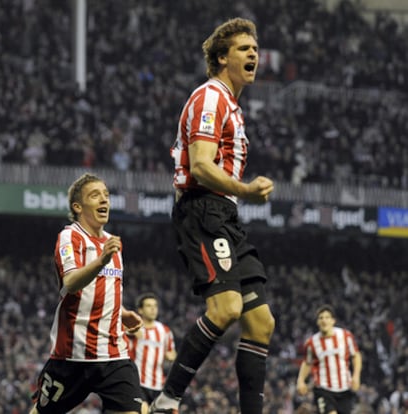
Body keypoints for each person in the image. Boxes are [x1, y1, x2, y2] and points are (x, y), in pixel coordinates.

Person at [149, 17, 275, 414]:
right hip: (203, 208)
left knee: (261, 323)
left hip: (227, 215)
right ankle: (168, 399)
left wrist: (239, 197)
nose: (253, 53)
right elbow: (201, 166)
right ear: (222, 58)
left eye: (255, 48)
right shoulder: (210, 97)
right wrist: (246, 188)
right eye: (243, 48)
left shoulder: (232, 106)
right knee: (226, 309)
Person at [30, 173, 148, 414]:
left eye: (106, 195)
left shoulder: (113, 243)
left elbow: (103, 287)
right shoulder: (69, 236)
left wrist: (122, 312)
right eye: (95, 195)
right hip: (73, 356)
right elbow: (71, 282)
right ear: (78, 206)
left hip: (113, 353)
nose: (104, 200)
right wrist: (102, 259)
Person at [296, 304, 362, 414]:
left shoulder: (345, 336)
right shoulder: (312, 342)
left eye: (327, 317)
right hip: (323, 389)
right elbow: (307, 363)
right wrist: (300, 381)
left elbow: (356, 355)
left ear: (333, 321)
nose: (324, 320)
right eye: (321, 318)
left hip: (344, 389)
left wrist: (356, 376)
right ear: (317, 322)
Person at [127, 292, 177, 404]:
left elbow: (172, 353)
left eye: (155, 306)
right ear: (140, 310)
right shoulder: (134, 327)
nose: (153, 309)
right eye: (149, 306)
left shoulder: (165, 331)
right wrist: (131, 331)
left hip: (158, 384)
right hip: (138, 382)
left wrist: (171, 356)